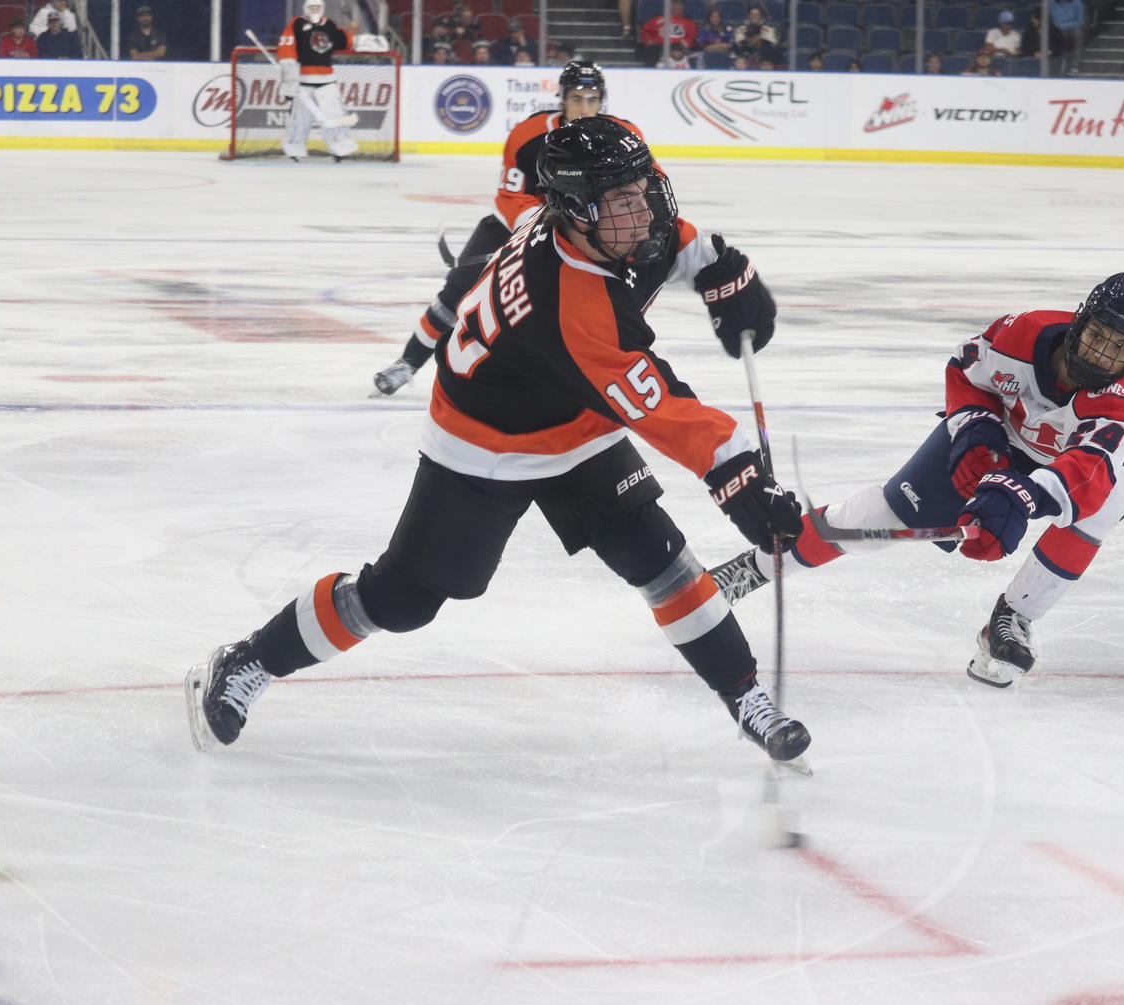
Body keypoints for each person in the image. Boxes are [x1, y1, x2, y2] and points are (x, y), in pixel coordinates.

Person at [187, 116, 811, 768]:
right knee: (403, 599)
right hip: (484, 444)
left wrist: (722, 271)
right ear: (573, 210)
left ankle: (744, 697)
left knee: (663, 563)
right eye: (621, 198)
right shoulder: (573, 307)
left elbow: (672, 241)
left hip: (573, 421)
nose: (642, 207)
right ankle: (249, 660)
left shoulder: (592, 229)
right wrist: (740, 478)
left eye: (642, 187)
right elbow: (664, 407)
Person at [708, 274, 1124, 690]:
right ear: (1079, 323)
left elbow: (1087, 471)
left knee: (1101, 508)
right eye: (1097, 336)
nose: (1104, 354)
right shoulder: (1021, 333)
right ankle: (754, 567)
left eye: (1120, 347)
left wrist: (1018, 497)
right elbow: (966, 370)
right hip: (1005, 434)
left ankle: (1013, 617)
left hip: (1085, 467)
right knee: (885, 513)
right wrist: (975, 428)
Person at [373, 63, 640, 397]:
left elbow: (642, 190)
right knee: (458, 293)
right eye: (576, 98)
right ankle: (408, 363)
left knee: (581, 305)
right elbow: (509, 196)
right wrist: (536, 226)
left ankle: (584, 379)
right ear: (562, 99)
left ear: (603, 100)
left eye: (592, 98)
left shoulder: (623, 138)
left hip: (582, 235)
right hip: (517, 225)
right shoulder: (529, 135)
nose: (585, 107)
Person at [278, 0, 358, 161]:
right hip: (303, 81)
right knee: (300, 119)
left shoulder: (329, 24)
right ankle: (294, 148)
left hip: (326, 80)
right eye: (311, 7)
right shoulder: (297, 23)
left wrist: (352, 33)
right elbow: (287, 51)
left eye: (317, 7)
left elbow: (343, 42)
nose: (314, 10)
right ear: (305, 8)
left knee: (334, 116)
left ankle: (339, 148)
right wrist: (290, 82)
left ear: (322, 8)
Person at [639, 0, 697, 66]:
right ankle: (651, 72)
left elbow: (691, 37)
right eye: (675, 4)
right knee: (651, 49)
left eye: (680, 4)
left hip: (678, 46)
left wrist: (681, 45)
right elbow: (646, 31)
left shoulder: (688, 22)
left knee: (677, 49)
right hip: (659, 46)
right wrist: (649, 40)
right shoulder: (657, 19)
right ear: (669, 6)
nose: (678, 6)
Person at [1049, 0, 1086, 73]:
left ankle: (1075, 63)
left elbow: (1080, 22)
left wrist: (1064, 26)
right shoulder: (1052, 3)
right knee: (1061, 34)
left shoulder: (1077, 3)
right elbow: (1051, 20)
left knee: (1077, 34)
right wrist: (1058, 27)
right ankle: (1061, 61)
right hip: (1056, 29)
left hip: (1071, 28)